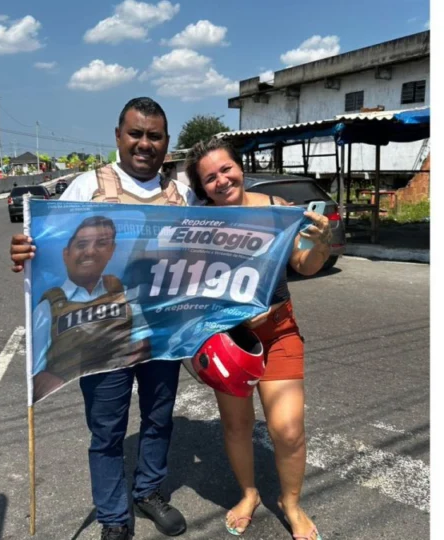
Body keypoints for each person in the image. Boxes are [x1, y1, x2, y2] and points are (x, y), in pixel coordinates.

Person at [11, 97, 196, 540]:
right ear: (118, 136)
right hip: (99, 336)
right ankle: (114, 517)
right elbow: (47, 247)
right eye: (136, 133)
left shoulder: (181, 195)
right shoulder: (84, 187)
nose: (144, 144)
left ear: (166, 143)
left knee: (158, 418)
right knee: (108, 430)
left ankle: (148, 491)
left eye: (154, 136)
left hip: (160, 333)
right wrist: (22, 251)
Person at [184, 138, 329, 540]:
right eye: (209, 177)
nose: (221, 180)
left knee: (288, 430)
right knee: (236, 425)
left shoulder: (275, 210)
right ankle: (248, 494)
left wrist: (321, 241)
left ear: (239, 167)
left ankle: (291, 504)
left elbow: (305, 264)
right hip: (227, 339)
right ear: (202, 188)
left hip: (280, 330)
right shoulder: (198, 224)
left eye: (226, 169)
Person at [30, 216, 152, 402]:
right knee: (106, 430)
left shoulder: (122, 293)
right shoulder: (49, 306)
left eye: (102, 244)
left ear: (111, 251)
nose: (90, 251)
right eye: (81, 244)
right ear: (66, 253)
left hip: (118, 375)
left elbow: (142, 341)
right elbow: (37, 374)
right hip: (75, 397)